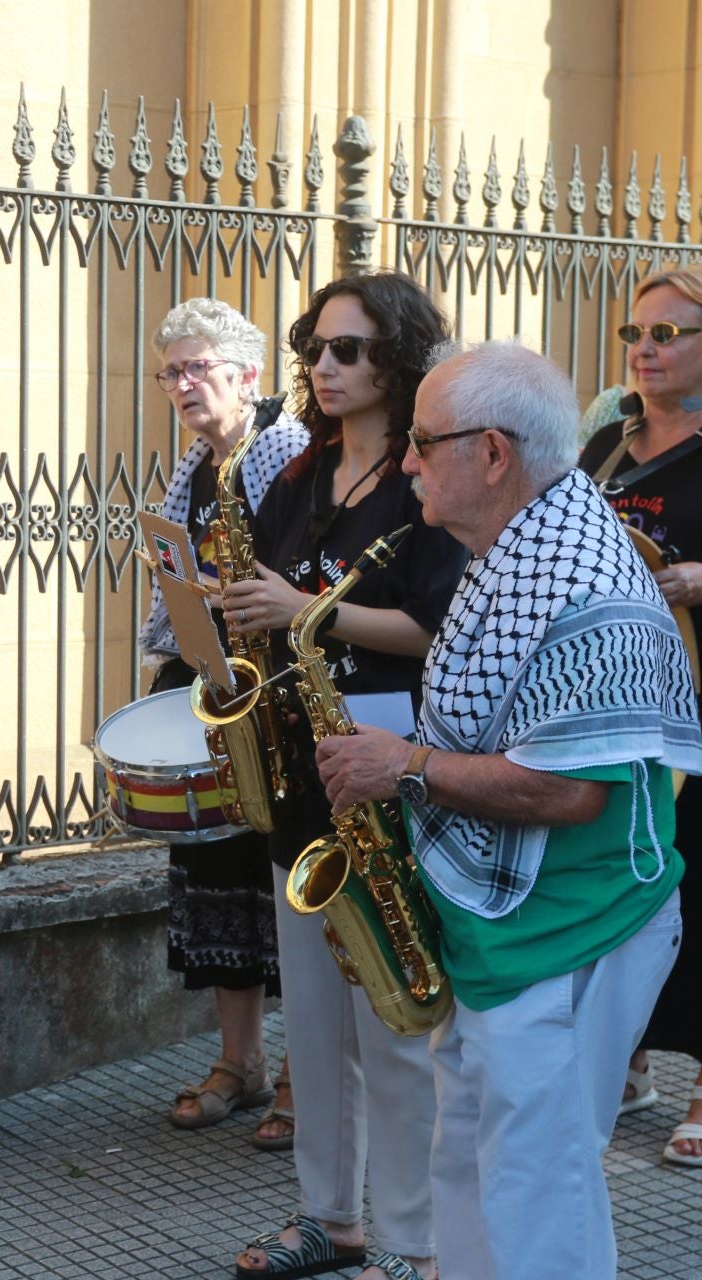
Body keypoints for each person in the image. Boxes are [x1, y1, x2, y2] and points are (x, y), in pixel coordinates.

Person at [318, 340, 700, 1279]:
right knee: (473, 1161)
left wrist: (403, 764)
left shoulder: (585, 588)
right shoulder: (517, 539)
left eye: (421, 441)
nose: (404, 462)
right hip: (509, 922)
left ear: (491, 454)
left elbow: (570, 791)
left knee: (538, 1183)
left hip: (574, 926)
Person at [224, 273, 466, 1280]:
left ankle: (412, 1241)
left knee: (394, 1021)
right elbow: (273, 596)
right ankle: (331, 1215)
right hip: (299, 749)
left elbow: (435, 625)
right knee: (316, 1017)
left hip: (383, 744)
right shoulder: (295, 479)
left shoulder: (427, 480)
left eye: (349, 350)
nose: (324, 366)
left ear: (398, 360)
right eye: (316, 347)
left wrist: (295, 610)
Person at [136, 298, 308, 1146]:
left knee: (284, 891)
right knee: (218, 881)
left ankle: (301, 1081)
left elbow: (303, 574)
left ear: (248, 374)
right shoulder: (199, 462)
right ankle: (240, 1064)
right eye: (171, 371)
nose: (182, 384)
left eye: (197, 367)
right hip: (218, 692)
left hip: (278, 698)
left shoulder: (287, 454)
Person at [578, 266, 702, 1168]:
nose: (646, 350)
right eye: (638, 333)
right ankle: (628, 1059)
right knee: (626, 873)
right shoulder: (603, 449)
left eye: (668, 334)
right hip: (621, 704)